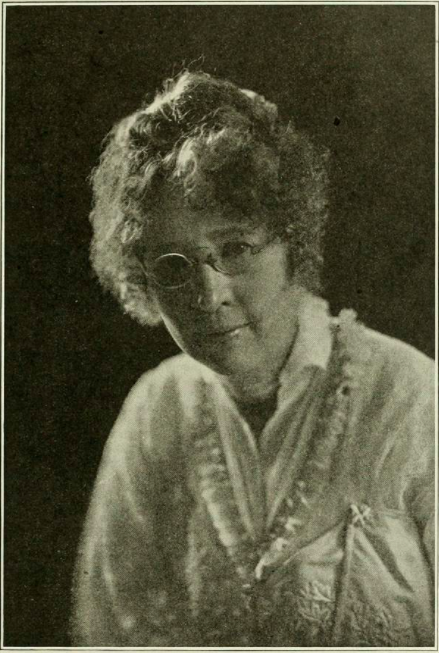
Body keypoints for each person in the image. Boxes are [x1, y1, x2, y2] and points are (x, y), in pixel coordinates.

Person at [72, 71, 435, 647]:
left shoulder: (413, 399)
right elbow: (106, 633)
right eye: (173, 266)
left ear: (291, 240)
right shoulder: (154, 414)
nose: (208, 294)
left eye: (235, 249)